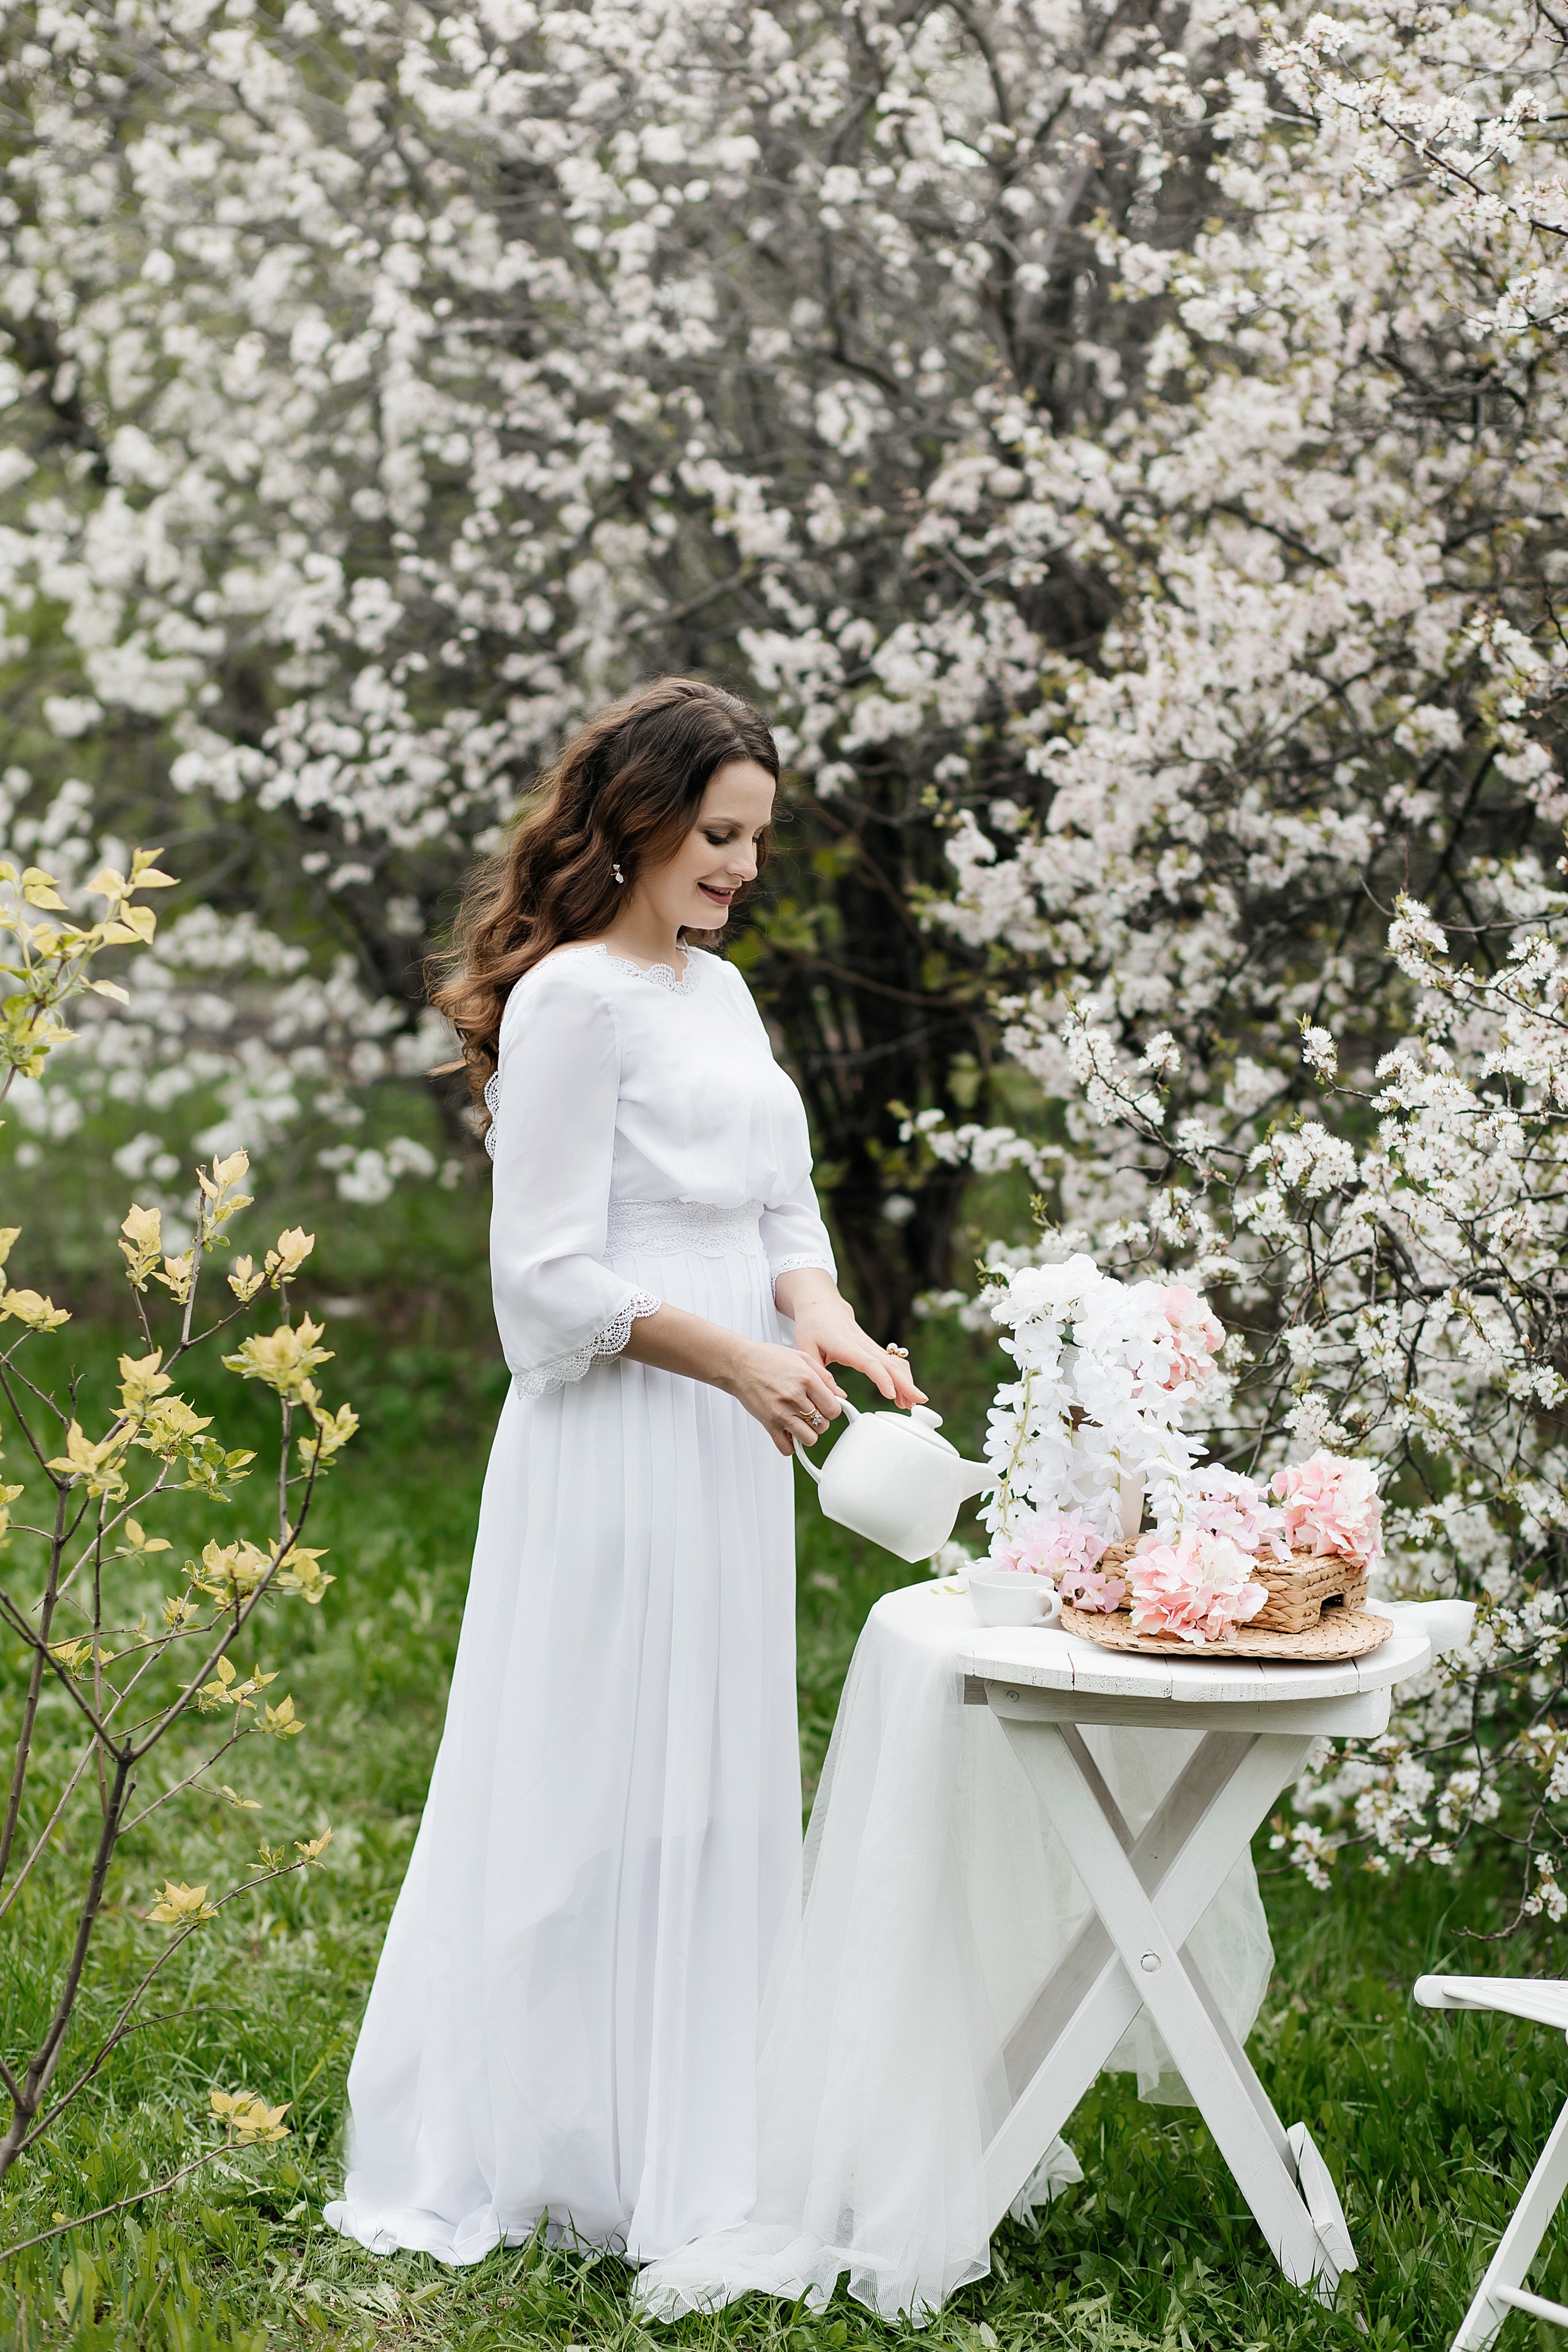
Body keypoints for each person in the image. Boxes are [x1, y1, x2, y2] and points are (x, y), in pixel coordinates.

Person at [324, 677, 923, 2268]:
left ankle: (699, 2115)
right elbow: (545, 1284)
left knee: (712, 1773)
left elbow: (779, 1219)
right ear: (643, 820)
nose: (740, 867)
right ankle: (548, 2131)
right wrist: (730, 1360)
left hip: (738, 1441)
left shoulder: (719, 997)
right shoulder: (574, 1002)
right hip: (623, 1434)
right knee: (594, 1768)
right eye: (719, 836)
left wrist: (832, 1330)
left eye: (757, 842)